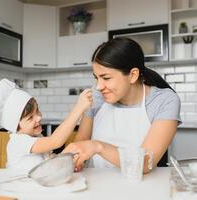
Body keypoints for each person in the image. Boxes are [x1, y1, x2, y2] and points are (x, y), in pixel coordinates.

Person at [63, 37, 181, 174]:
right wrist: (75, 160)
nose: (99, 86)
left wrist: (98, 146)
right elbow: (81, 140)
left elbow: (145, 163)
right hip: (94, 182)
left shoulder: (164, 101)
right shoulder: (97, 95)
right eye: (96, 78)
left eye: (106, 78)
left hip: (139, 187)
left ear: (133, 75)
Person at [0, 78, 92, 172]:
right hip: (20, 189)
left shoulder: (36, 137)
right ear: (15, 126)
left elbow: (48, 160)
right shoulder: (18, 142)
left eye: (37, 110)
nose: (39, 117)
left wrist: (70, 163)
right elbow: (55, 141)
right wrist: (78, 108)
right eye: (30, 117)